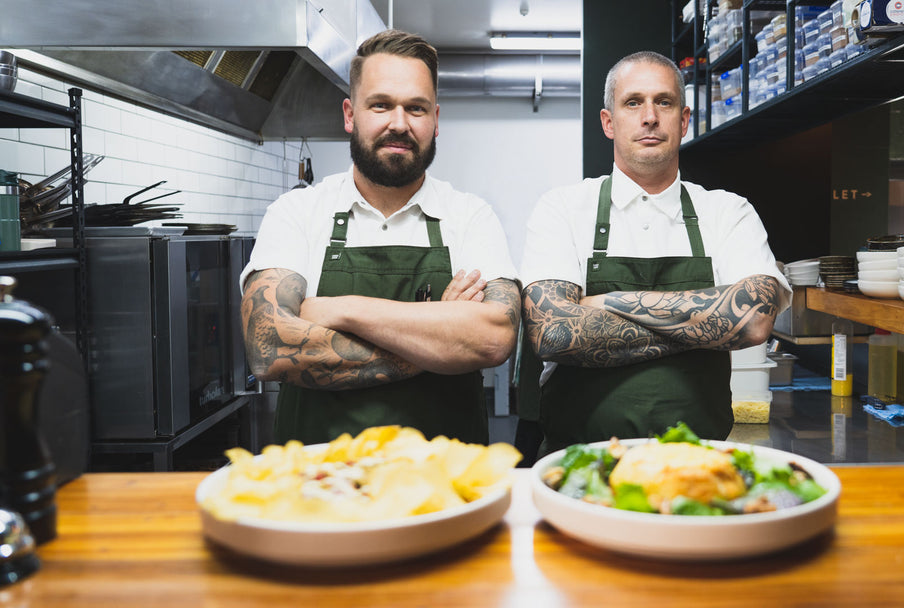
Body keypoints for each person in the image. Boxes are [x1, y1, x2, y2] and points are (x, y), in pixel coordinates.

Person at [240, 29, 520, 446]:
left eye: (416, 108)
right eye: (381, 105)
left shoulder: (469, 216)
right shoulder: (297, 213)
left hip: (448, 485)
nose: (399, 123)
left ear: (436, 120)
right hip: (319, 482)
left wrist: (343, 310)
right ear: (350, 114)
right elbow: (269, 346)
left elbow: (494, 338)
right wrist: (440, 340)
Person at [519, 51, 791, 454]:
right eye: (633, 102)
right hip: (577, 461)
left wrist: (605, 304)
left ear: (683, 121)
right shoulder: (562, 208)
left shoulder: (726, 211)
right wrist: (706, 329)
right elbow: (555, 332)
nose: (650, 116)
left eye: (663, 102)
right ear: (608, 122)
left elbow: (752, 320)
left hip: (699, 462)